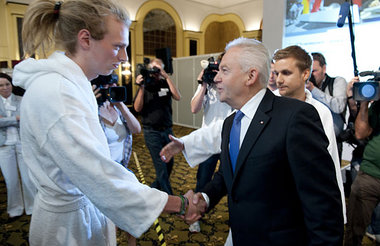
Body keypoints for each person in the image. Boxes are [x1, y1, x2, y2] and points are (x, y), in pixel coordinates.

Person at [12, 1, 201, 245]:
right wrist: (180, 203)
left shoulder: (72, 86)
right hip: (67, 227)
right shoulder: (56, 93)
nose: (124, 58)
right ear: (85, 39)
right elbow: (98, 175)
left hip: (87, 209)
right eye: (118, 47)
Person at [164, 37, 343, 245]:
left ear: (250, 76)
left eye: (224, 71)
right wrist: (205, 198)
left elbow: (322, 206)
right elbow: (232, 171)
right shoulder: (231, 122)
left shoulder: (296, 117)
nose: (217, 78)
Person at [272, 45, 346, 223]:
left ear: (305, 74)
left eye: (286, 73)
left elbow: (332, 164)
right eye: (276, 73)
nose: (279, 79)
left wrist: (339, 214)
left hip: (304, 201)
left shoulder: (321, 113)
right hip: (270, 199)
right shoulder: (266, 106)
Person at [188, 58, 232, 233]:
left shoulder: (232, 87)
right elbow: (194, 108)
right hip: (209, 141)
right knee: (203, 179)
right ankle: (196, 216)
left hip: (229, 140)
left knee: (230, 180)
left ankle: (234, 218)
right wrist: (204, 84)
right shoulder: (206, 87)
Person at [133, 58, 181, 195]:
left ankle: (155, 186)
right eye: (153, 69)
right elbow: (137, 108)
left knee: (169, 163)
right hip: (151, 132)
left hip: (167, 130)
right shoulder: (145, 85)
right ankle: (169, 198)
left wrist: (166, 76)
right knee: (161, 165)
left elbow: (177, 96)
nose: (155, 72)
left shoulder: (165, 82)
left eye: (158, 69)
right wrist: (141, 87)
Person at [344, 81, 380, 246]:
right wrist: (364, 102)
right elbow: (360, 133)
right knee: (354, 230)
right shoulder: (378, 107)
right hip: (370, 174)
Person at [0, 72, 36, 219]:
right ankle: (15, 209)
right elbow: (19, 119)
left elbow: (27, 119)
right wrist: (16, 118)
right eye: (1, 85)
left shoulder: (22, 100)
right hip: (4, 146)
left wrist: (5, 120)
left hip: (22, 143)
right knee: (10, 180)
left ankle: (32, 207)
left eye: (7, 84)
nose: (4, 87)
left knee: (28, 179)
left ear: (12, 85)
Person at [306, 52, 347, 159]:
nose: (311, 75)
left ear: (324, 69)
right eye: (309, 71)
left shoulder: (337, 82)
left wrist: (313, 90)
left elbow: (338, 107)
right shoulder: (304, 88)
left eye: (314, 71)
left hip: (332, 142)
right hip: (310, 142)